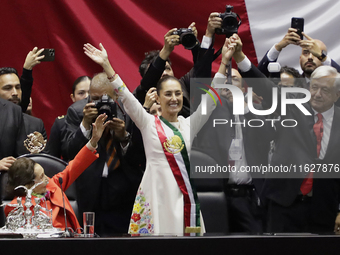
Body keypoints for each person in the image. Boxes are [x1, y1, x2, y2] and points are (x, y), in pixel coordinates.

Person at [82, 39, 230, 234]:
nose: (174, 98)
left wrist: (225, 61)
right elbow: (124, 95)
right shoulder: (147, 122)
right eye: (168, 94)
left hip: (184, 200)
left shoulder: (189, 124)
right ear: (157, 98)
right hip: (155, 198)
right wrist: (106, 65)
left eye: (177, 93)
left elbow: (211, 99)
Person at [231, 33, 340, 233]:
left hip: (324, 207)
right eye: (314, 88)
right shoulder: (293, 105)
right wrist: (239, 57)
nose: (317, 94)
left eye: (324, 90)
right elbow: (261, 83)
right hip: (283, 204)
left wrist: (324, 58)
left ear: (336, 95)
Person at [64, 72, 143, 236]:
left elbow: (139, 157)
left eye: (105, 98)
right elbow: (69, 152)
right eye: (94, 98)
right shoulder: (77, 111)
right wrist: (85, 124)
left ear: (115, 95)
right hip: (89, 187)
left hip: (123, 186)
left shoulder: (128, 109)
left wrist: (123, 137)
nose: (99, 103)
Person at [4, 114, 108, 232]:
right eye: (42, 177)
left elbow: (74, 167)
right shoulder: (16, 208)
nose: (47, 179)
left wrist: (94, 140)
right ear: (28, 185)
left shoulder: (53, 185)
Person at [134, 13, 219, 117]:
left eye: (167, 68)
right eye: (160, 71)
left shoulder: (183, 84)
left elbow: (202, 71)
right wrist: (166, 50)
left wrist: (204, 37)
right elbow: (146, 84)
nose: (164, 73)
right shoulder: (142, 95)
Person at [258, 28, 340, 87]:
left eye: (316, 54)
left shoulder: (333, 86)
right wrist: (278, 47)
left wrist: (322, 56)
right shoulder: (292, 83)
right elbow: (257, 79)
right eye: (306, 53)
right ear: (300, 58)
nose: (310, 57)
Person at [47, 76, 91, 161]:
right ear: (73, 97)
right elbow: (52, 159)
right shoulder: (60, 123)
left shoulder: (102, 119)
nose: (87, 97)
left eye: (91, 93)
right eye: (81, 93)